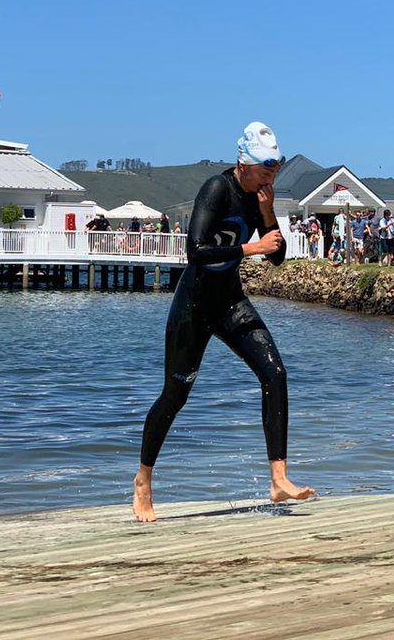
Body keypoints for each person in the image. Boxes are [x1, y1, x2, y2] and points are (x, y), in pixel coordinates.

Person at [133, 121, 311, 523]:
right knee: (174, 396)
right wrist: (251, 247)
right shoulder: (217, 189)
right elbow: (195, 250)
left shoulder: (258, 198)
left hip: (230, 302)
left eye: (276, 168)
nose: (272, 176)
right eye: (267, 168)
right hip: (193, 307)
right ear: (243, 163)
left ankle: (278, 478)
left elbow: (278, 257)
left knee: (275, 374)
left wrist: (267, 213)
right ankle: (143, 479)